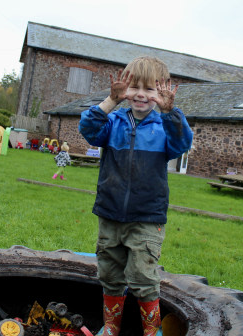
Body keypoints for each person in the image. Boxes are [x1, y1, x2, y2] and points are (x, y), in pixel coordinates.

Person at [78, 56, 193, 336]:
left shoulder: (164, 126)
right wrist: (110, 101)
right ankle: (111, 329)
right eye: (134, 87)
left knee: (143, 277)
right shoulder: (114, 121)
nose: (141, 94)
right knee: (109, 274)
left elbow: (182, 143)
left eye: (150, 89)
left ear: (161, 93)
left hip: (146, 217)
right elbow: (88, 130)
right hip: (110, 213)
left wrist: (171, 112)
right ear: (124, 89)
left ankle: (152, 332)